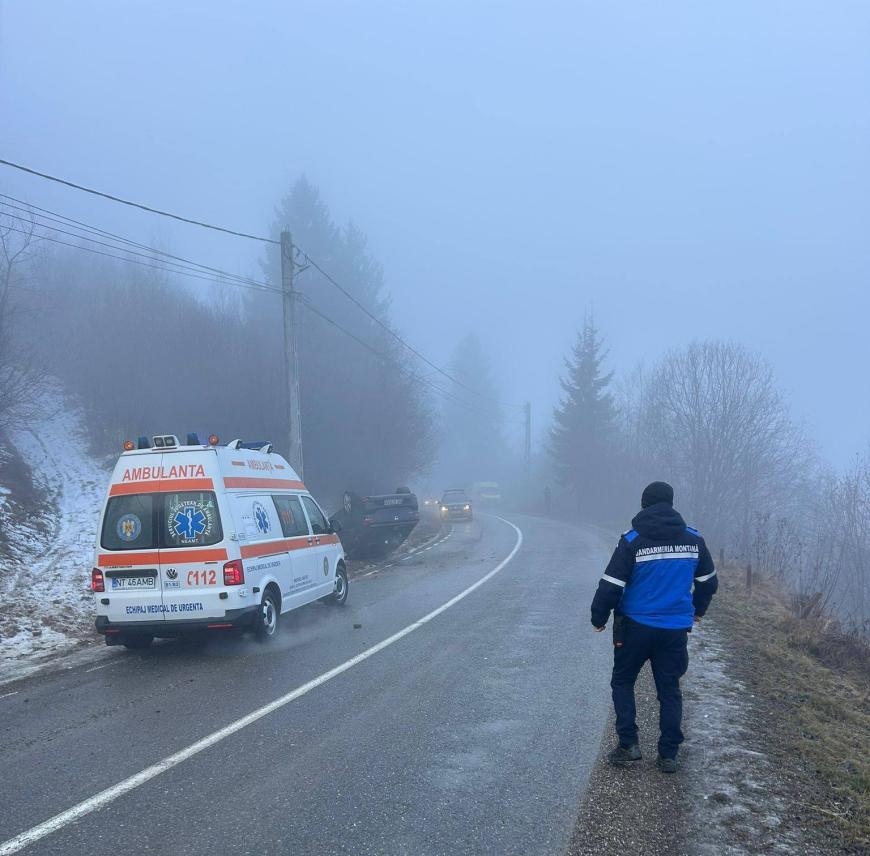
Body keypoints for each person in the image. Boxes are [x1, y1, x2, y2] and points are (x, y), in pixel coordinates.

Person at [590, 481, 718, 773]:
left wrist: (599, 618)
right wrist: (697, 611)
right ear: (671, 504)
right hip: (674, 630)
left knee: (623, 682)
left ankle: (628, 745)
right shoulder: (693, 540)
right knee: (670, 689)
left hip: (635, 627)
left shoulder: (632, 540)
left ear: (644, 504)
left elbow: (611, 585)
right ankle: (669, 754)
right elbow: (709, 582)